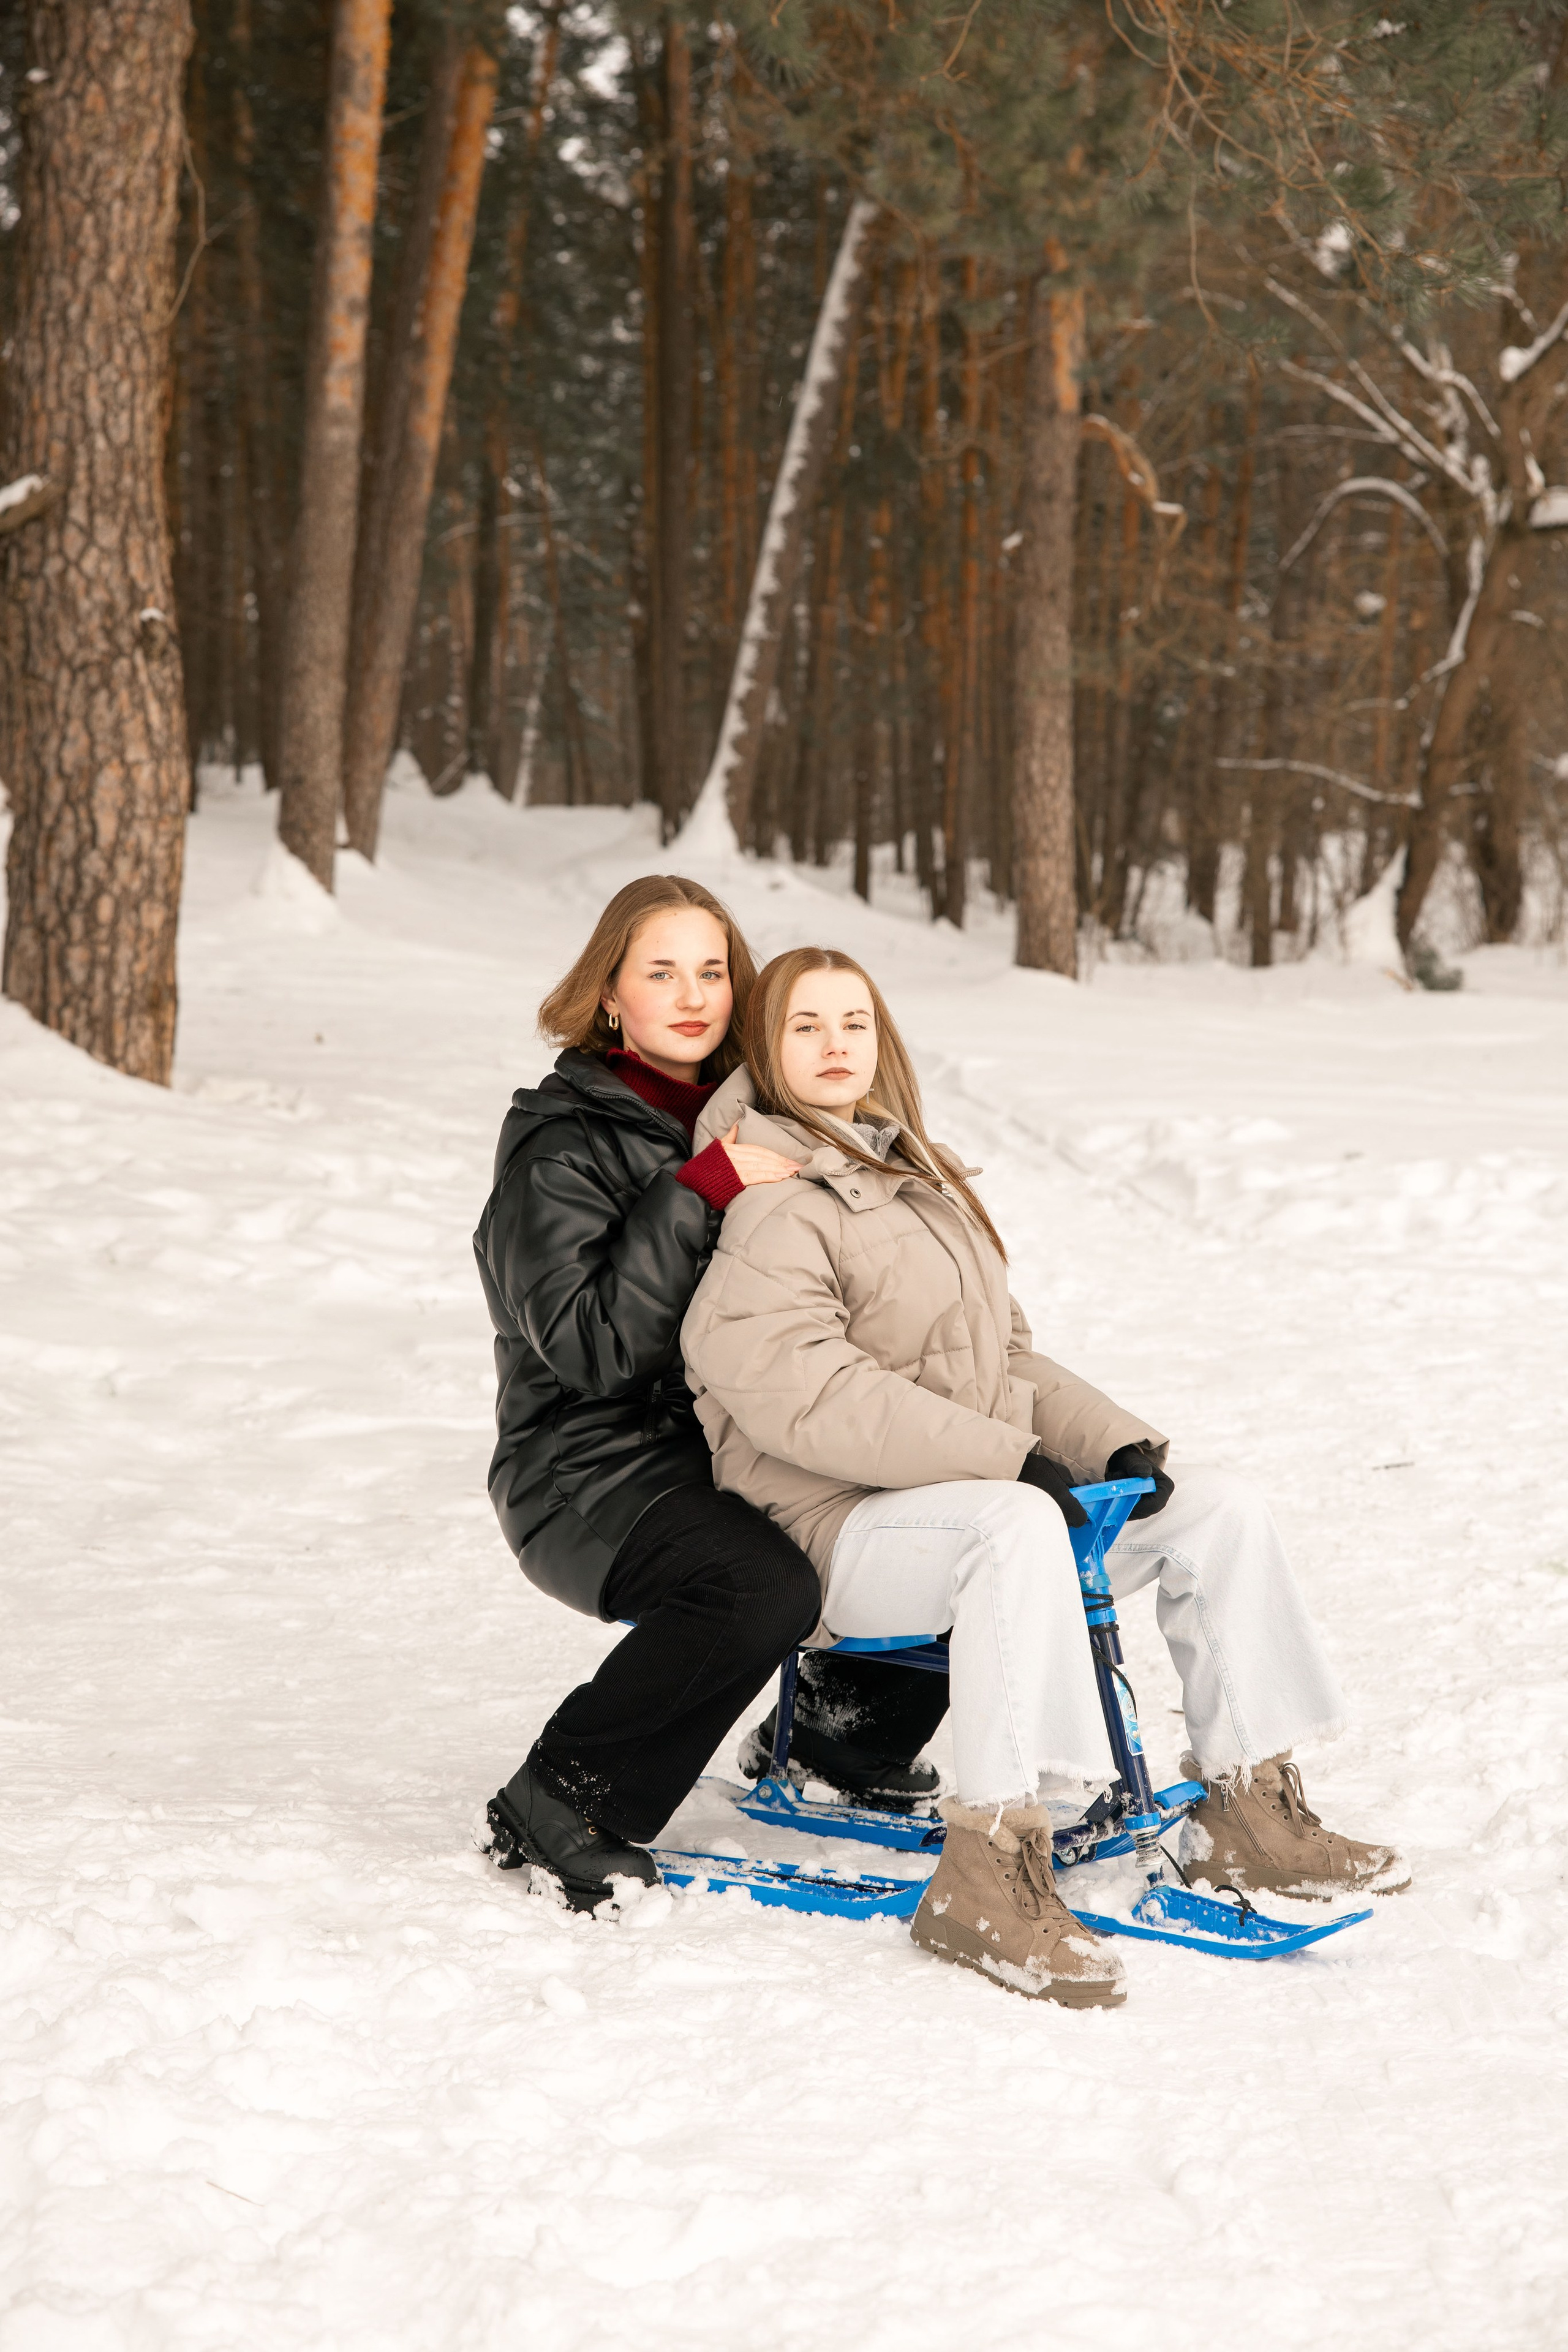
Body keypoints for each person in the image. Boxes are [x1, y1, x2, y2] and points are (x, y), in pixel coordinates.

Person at [681, 946, 1409, 2008]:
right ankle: (990, 1865)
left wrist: (1112, 1443)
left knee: (1221, 1511)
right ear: (763, 1049)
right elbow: (805, 1390)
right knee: (1015, 1528)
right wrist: (1008, 1463)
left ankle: (1249, 1806)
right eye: (804, 1027)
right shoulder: (770, 1200)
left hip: (967, 1499)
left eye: (854, 1023)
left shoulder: (919, 1180)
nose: (836, 1046)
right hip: (833, 1531)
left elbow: (1007, 1361)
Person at [471, 879, 947, 1915]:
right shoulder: (559, 1145)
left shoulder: (763, 1110)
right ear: (609, 996)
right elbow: (592, 1351)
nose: (692, 993)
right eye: (660, 970)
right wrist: (699, 1194)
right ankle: (561, 1796)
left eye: (713, 969)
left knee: (924, 1505)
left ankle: (838, 1735)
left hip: (726, 1441)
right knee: (761, 1587)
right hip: (588, 1469)